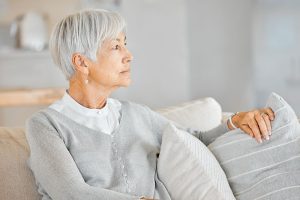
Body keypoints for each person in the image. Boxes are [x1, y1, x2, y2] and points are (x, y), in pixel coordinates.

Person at [25, 9, 275, 200]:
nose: (128, 54)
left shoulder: (136, 114)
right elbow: (71, 193)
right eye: (116, 46)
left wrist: (235, 122)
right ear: (81, 62)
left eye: (125, 43)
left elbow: (193, 140)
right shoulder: (46, 125)